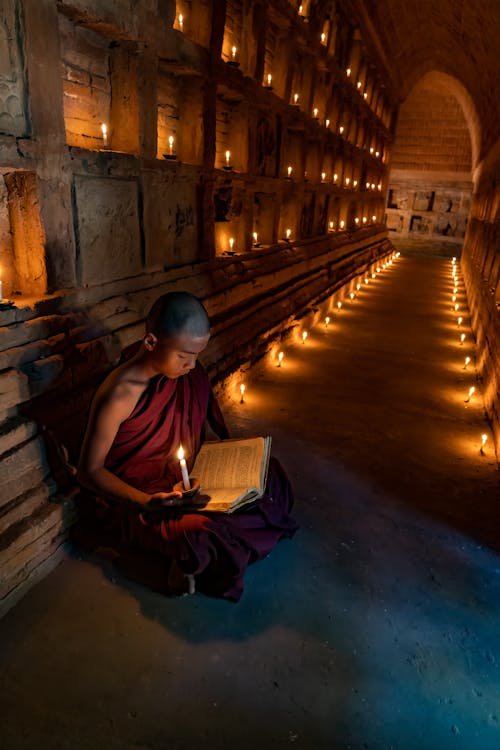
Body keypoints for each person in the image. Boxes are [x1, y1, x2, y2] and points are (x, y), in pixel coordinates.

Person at [77, 291, 298, 601]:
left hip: (188, 479)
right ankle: (186, 559)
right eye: (184, 356)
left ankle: (196, 557)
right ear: (151, 342)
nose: (192, 366)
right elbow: (89, 472)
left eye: (197, 354)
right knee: (199, 533)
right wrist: (147, 503)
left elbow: (199, 437)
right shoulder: (120, 392)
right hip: (144, 496)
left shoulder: (184, 376)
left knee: (269, 477)